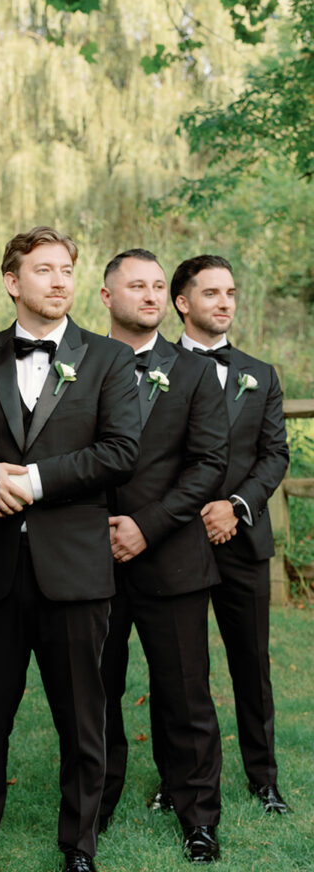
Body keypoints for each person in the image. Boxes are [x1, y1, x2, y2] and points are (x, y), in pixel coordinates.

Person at [0, 226, 141, 872]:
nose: (60, 281)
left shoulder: (107, 360)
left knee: (83, 718)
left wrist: (29, 482)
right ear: (13, 282)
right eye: (44, 270)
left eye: (67, 269)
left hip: (76, 570)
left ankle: (80, 846)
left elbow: (121, 451)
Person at [98, 249, 228, 862]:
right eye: (136, 286)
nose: (151, 295)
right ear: (106, 297)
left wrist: (146, 527)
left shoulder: (197, 373)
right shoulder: (85, 363)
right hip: (90, 558)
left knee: (184, 691)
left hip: (171, 555)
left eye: (158, 285)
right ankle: (93, 805)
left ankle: (197, 812)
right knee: (96, 690)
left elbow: (208, 465)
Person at [166, 254, 290, 814]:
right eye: (212, 293)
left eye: (231, 292)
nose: (225, 302)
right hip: (176, 541)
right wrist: (189, 512)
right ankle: (178, 782)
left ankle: (263, 778)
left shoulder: (260, 374)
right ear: (182, 303)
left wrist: (236, 506)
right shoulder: (152, 368)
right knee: (180, 670)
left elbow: (274, 454)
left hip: (243, 541)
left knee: (251, 663)